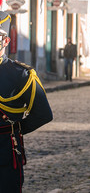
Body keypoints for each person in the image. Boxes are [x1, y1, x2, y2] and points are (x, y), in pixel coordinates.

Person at [0, 10, 53, 192]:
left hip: (4, 153)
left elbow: (43, 114)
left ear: (6, 41)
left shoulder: (20, 75)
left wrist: (14, 130)